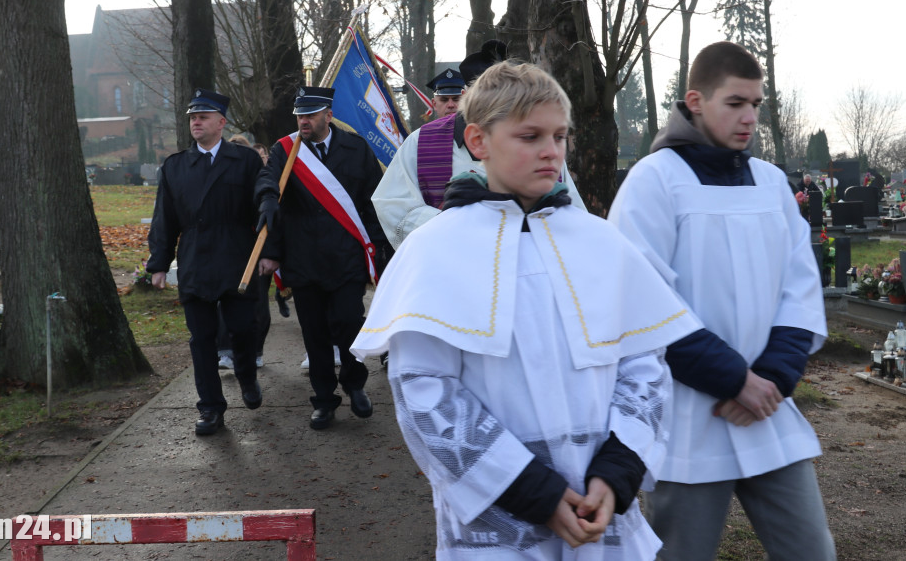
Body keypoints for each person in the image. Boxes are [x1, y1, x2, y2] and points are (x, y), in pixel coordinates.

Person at [352, 62, 702, 559]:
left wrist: (619, 471)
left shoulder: (601, 243)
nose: (551, 151)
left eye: (560, 136)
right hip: (502, 520)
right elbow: (425, 390)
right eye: (530, 135)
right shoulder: (435, 250)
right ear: (478, 141)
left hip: (602, 514)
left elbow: (644, 362)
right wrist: (532, 492)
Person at [607, 41, 835, 560]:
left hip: (767, 409)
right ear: (695, 101)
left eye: (756, 104)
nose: (749, 117)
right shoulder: (654, 182)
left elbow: (799, 287)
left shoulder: (771, 182)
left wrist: (772, 378)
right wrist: (734, 380)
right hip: (691, 417)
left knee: (812, 551)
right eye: (735, 103)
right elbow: (642, 301)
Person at [255, 86, 390, 430]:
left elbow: (373, 203)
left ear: (328, 116)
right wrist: (268, 199)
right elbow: (267, 180)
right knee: (314, 334)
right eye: (300, 115)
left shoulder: (355, 148)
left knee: (348, 324)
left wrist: (378, 252)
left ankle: (355, 383)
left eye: (311, 115)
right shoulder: (285, 150)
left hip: (345, 257)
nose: (304, 121)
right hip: (304, 258)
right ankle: (324, 400)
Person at [372, 43, 586, 249]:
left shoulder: (544, 148)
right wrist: (455, 227)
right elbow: (393, 203)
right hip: (452, 265)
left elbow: (572, 217)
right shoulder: (422, 143)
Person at [147, 88, 266, 436]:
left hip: (237, 258)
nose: (195, 122)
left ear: (221, 122)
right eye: (192, 117)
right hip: (196, 260)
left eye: (202, 116)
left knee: (243, 330)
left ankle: (247, 375)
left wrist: (269, 251)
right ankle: (211, 409)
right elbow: (164, 219)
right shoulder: (176, 165)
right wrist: (158, 263)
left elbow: (262, 204)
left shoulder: (243, 161)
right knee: (201, 341)